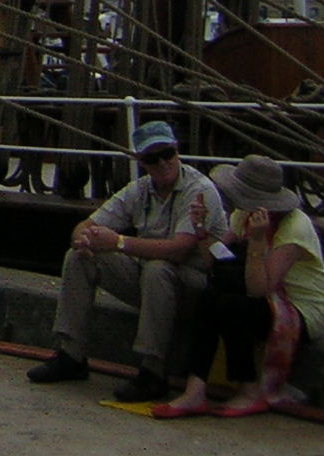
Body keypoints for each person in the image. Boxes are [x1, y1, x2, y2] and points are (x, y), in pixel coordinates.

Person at [27, 120, 228, 402]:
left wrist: (120, 242)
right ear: (140, 161)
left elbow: (179, 251)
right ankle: (70, 353)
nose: (161, 163)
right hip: (152, 282)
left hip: (196, 286)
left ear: (177, 151)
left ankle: (153, 371)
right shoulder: (140, 190)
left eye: (166, 154)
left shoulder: (199, 190)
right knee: (78, 258)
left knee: (158, 269)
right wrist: (83, 240)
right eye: (151, 158)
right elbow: (87, 223)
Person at [154, 154, 324, 419]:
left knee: (231, 305)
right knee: (211, 295)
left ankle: (250, 389)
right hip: (263, 294)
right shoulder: (244, 215)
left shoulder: (295, 227)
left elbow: (259, 288)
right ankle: (195, 388)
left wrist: (258, 243)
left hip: (298, 308)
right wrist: (201, 231)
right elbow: (216, 261)